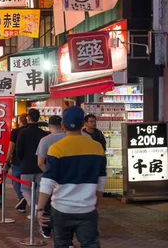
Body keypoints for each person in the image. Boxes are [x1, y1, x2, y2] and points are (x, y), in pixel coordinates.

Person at [37, 106, 106, 248]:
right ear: (83, 124)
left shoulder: (56, 149)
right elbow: (101, 181)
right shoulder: (97, 147)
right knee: (90, 244)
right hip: (87, 209)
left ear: (63, 125)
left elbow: (48, 182)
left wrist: (40, 208)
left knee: (62, 244)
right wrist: (96, 204)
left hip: (61, 209)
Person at [17, 108, 49, 211]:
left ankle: (34, 208)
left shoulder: (22, 132)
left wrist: (21, 159)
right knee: (38, 188)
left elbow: (19, 150)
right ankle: (36, 208)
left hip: (26, 165)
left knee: (25, 188)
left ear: (28, 118)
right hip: (40, 165)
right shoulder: (43, 134)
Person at [6, 113, 28, 213]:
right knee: (28, 182)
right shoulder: (33, 131)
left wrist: (7, 159)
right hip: (30, 162)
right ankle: (25, 198)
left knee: (15, 180)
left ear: (20, 121)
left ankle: (22, 197)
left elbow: (11, 147)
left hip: (17, 160)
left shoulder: (15, 132)